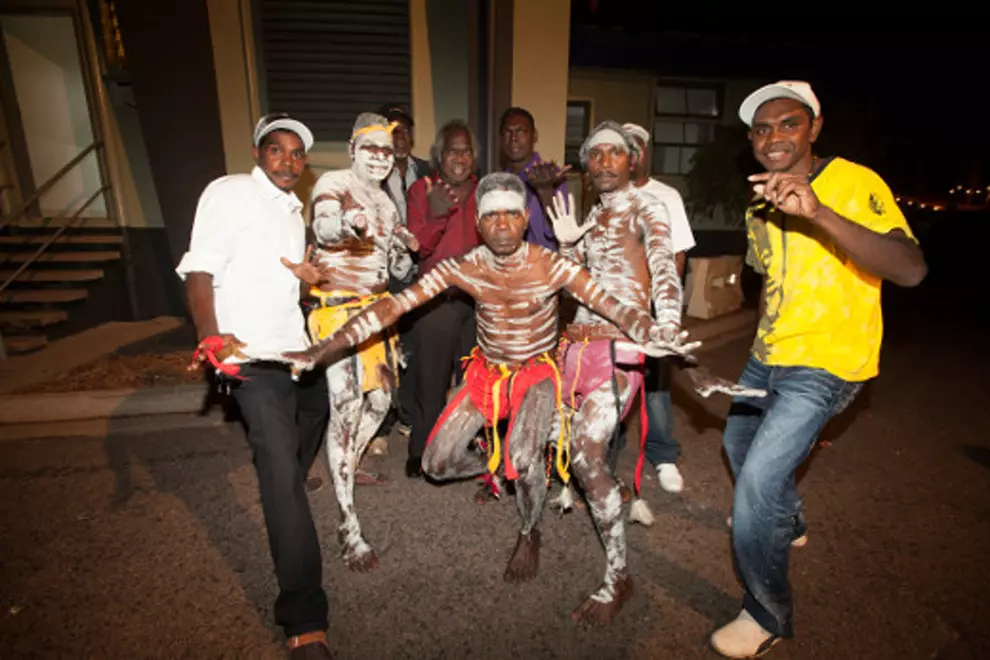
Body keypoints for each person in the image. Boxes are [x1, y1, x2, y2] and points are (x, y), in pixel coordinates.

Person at [282, 171, 699, 602]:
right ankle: (497, 469)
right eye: (491, 216)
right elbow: (394, 306)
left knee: (524, 455)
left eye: (511, 215)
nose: (501, 223)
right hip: (487, 374)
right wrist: (325, 348)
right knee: (436, 464)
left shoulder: (552, 264)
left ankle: (528, 529)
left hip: (538, 374)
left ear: (524, 220)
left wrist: (661, 334)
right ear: (480, 225)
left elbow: (612, 307)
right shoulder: (467, 267)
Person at [709, 81, 927, 658]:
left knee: (756, 481)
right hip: (770, 354)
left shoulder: (854, 182)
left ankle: (766, 614)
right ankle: (789, 522)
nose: (773, 136)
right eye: (761, 128)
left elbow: (909, 269)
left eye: (787, 123)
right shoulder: (759, 200)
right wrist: (754, 351)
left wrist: (819, 212)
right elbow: (768, 284)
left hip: (830, 359)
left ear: (815, 127)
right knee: (737, 444)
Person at [547, 121, 765, 627]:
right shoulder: (594, 215)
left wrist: (667, 325)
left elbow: (665, 268)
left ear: (633, 161)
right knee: (581, 451)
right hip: (578, 345)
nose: (604, 161)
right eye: (595, 154)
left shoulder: (648, 206)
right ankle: (616, 494)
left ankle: (617, 575)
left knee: (585, 453)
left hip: (622, 346)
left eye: (614, 153)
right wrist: (566, 247)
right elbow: (571, 290)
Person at [176, 113, 333, 658]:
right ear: (257, 152)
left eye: (297, 153)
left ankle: (286, 468)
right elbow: (200, 270)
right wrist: (209, 336)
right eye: (277, 150)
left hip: (293, 350)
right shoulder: (231, 191)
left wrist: (305, 280)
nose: (288, 160)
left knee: (317, 412)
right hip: (249, 356)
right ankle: (304, 619)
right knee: (281, 482)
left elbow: (266, 269)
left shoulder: (292, 212)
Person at [302, 112, 418, 572]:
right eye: (369, 149)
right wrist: (347, 223)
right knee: (346, 407)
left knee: (381, 403)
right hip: (337, 313)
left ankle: (342, 465)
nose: (378, 158)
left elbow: (395, 272)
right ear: (352, 149)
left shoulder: (390, 205)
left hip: (376, 315)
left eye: (386, 151)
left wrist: (405, 254)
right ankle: (348, 524)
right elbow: (325, 226)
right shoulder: (333, 182)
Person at [403, 120, 482, 478]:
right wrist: (436, 213)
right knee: (430, 380)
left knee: (472, 381)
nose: (459, 158)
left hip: (476, 301)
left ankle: (460, 447)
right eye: (453, 150)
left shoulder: (485, 191)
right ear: (440, 154)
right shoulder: (422, 189)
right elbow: (419, 247)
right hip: (436, 301)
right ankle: (420, 450)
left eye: (465, 151)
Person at [622, 122, 697, 493]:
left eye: (637, 147)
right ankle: (608, 447)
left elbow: (678, 256)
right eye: (624, 148)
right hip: (617, 309)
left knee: (656, 384)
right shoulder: (607, 195)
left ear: (646, 153)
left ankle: (663, 454)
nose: (630, 155)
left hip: (652, 308)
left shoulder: (666, 195)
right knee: (612, 380)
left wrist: (666, 310)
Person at [499, 107, 570, 251]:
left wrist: (546, 193)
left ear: (534, 135)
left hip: (544, 268)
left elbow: (563, 235)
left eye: (520, 131)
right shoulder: (498, 182)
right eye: (508, 131)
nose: (513, 138)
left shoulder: (551, 176)